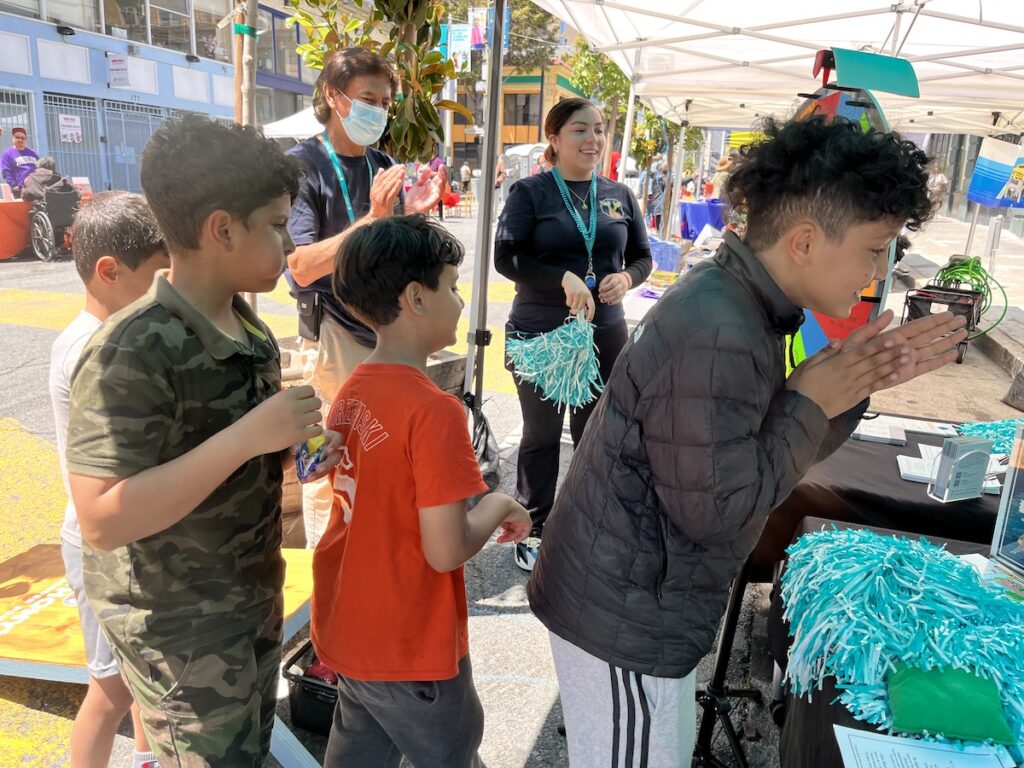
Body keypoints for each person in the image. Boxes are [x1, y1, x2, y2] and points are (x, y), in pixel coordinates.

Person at [526, 116, 969, 767]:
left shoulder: (745, 304)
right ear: (805, 241)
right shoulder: (721, 328)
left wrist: (843, 388)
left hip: (639, 604)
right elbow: (720, 510)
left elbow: (759, 446)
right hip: (623, 621)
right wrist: (814, 398)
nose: (880, 270)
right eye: (875, 249)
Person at [65, 114, 343, 767]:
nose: (288, 243)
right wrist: (251, 437)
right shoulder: (128, 352)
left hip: (245, 603)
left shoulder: (247, 329)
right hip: (180, 637)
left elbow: (233, 457)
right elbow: (103, 517)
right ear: (222, 229)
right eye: (276, 226)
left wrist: (296, 451)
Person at [313, 215, 531, 766]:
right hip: (410, 644)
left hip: (351, 627)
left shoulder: (353, 391)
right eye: (452, 286)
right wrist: (501, 503)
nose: (460, 302)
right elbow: (446, 549)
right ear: (416, 296)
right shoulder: (433, 411)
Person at [285, 47, 446, 548]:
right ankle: (325, 569)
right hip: (333, 340)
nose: (377, 109)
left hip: (387, 336)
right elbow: (299, 267)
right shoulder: (301, 166)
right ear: (333, 96)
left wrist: (411, 219)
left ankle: (371, 554)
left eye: (384, 101)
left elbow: (394, 254)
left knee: (381, 450)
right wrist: (373, 219)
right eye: (367, 98)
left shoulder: (384, 164)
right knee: (328, 459)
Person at [495, 97, 652, 572]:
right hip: (543, 335)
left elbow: (642, 257)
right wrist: (559, 276)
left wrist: (627, 279)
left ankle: (584, 523)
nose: (593, 140)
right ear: (555, 139)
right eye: (580, 130)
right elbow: (508, 258)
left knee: (595, 435)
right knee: (541, 436)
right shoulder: (530, 192)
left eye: (599, 130)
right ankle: (533, 526)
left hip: (604, 334)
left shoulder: (619, 195)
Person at [51, 191, 167, 768]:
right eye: (157, 278)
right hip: (101, 544)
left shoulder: (120, 336)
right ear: (109, 272)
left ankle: (147, 759)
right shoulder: (90, 350)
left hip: (131, 533)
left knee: (143, 671)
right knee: (111, 687)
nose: (164, 294)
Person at [1, 126, 39, 198]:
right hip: (19, 190)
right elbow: (6, 172)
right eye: (17, 137)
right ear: (13, 139)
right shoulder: (7, 154)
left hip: (35, 189)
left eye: (22, 138)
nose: (20, 140)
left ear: (26, 140)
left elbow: (39, 168)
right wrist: (14, 186)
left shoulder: (33, 153)